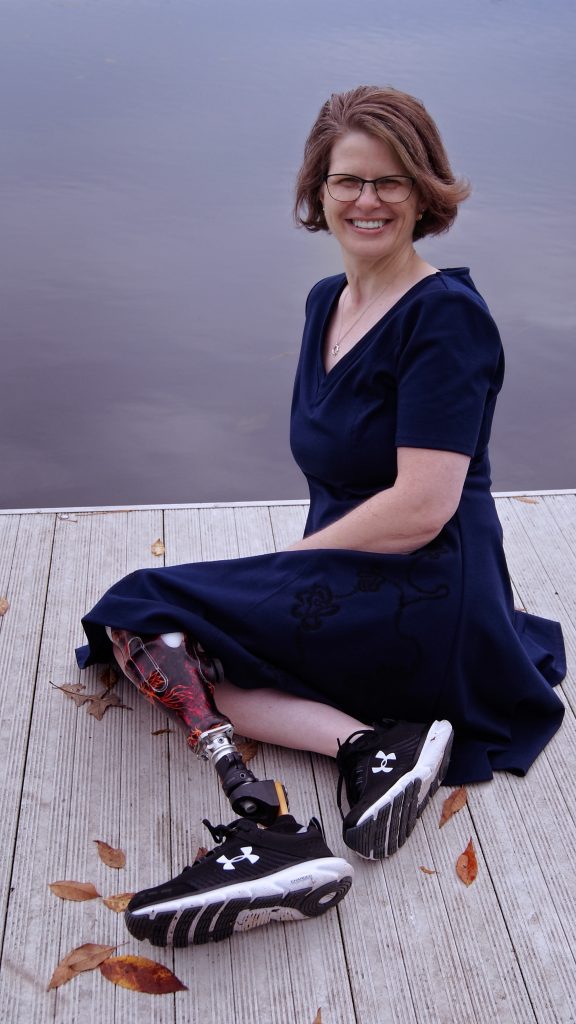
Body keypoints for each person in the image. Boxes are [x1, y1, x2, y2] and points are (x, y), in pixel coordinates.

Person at [76, 86, 566, 948]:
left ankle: (279, 825)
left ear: (424, 193)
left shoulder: (447, 320)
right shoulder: (324, 305)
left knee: (139, 605)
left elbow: (421, 507)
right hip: (354, 573)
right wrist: (302, 570)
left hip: (424, 584)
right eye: (348, 181)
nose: (367, 201)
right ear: (319, 190)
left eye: (390, 182)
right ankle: (367, 753)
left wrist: (295, 563)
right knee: (167, 650)